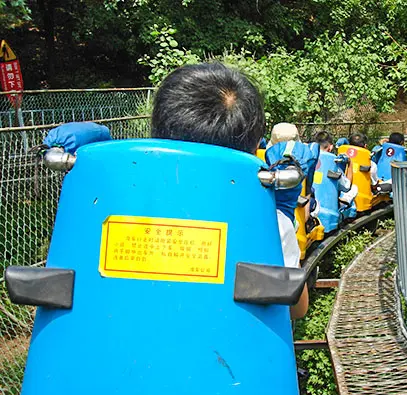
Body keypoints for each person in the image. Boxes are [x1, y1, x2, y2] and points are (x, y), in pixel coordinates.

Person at [42, 63, 308, 319]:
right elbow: (297, 309)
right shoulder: (268, 220)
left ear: (156, 129)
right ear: (253, 147)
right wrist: (284, 214)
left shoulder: (101, 206)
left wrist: (101, 173)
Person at [313, 131, 357, 205]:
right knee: (354, 188)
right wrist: (350, 164)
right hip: (327, 205)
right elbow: (347, 187)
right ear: (330, 147)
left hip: (309, 201)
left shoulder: (308, 159)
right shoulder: (332, 164)